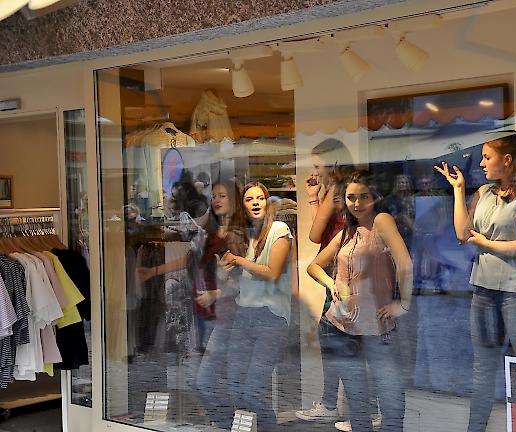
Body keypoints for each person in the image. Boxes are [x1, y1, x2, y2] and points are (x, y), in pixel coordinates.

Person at [434, 131, 516, 432]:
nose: (482, 163)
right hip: (483, 289)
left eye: (487, 157)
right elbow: (462, 234)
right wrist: (458, 191)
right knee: (482, 368)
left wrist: (486, 244)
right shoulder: (483, 192)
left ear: (507, 160)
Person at [308, 171, 413, 432]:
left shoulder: (382, 221)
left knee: (390, 402)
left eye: (363, 196)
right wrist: (332, 283)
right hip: (341, 326)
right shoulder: (347, 230)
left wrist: (403, 304)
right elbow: (314, 266)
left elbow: (405, 264)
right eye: (351, 197)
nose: (356, 203)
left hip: (377, 327)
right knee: (358, 405)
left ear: (374, 197)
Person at [137, 180, 247, 428]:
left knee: (207, 378)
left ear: (234, 201)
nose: (217, 200)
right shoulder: (209, 234)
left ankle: (227, 423)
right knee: (196, 378)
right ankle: (223, 422)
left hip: (224, 316)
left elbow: (243, 282)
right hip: (201, 315)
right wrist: (153, 271)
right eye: (214, 196)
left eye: (223, 196)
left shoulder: (235, 237)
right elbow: (188, 260)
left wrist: (215, 293)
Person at [221, 182, 294, 431]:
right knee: (234, 385)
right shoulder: (243, 236)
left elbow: (272, 272)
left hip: (271, 318)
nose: (255, 203)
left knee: (252, 390)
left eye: (260, 198)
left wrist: (239, 260)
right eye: (249, 199)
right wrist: (223, 272)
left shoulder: (279, 230)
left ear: (267, 202)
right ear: (243, 205)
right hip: (244, 314)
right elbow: (236, 279)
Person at [297, 138, 355, 424]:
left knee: (334, 338)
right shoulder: (347, 189)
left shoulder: (336, 190)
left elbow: (314, 234)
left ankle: (340, 404)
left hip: (337, 268)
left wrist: (312, 196)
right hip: (342, 266)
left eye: (318, 164)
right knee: (336, 336)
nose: (315, 171)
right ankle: (334, 402)